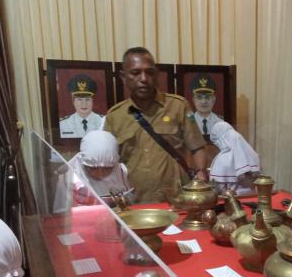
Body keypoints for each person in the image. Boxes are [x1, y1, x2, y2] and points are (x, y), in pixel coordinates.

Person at [104, 47, 207, 203]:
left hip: (177, 201)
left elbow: (197, 146)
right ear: (123, 77)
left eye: (149, 72)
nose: (144, 78)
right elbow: (108, 163)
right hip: (134, 204)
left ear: (156, 75)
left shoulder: (178, 106)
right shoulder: (115, 116)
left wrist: (201, 175)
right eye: (135, 73)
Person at [52, 130, 133, 212]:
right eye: (93, 168)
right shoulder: (68, 179)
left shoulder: (121, 172)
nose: (100, 173)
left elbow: (130, 202)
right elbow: (61, 214)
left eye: (107, 169)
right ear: (84, 162)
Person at [209, 121, 260, 195]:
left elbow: (218, 189)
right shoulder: (252, 154)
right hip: (251, 197)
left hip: (231, 202)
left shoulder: (222, 159)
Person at [59, 74, 104, 138]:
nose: (84, 104)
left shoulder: (103, 121)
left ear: (92, 101)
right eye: (79, 99)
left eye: (87, 99)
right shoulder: (64, 124)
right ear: (73, 102)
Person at [189, 73, 223, 139]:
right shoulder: (188, 122)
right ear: (194, 100)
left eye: (207, 97)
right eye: (199, 97)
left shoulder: (221, 121)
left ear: (213, 99)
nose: (204, 101)